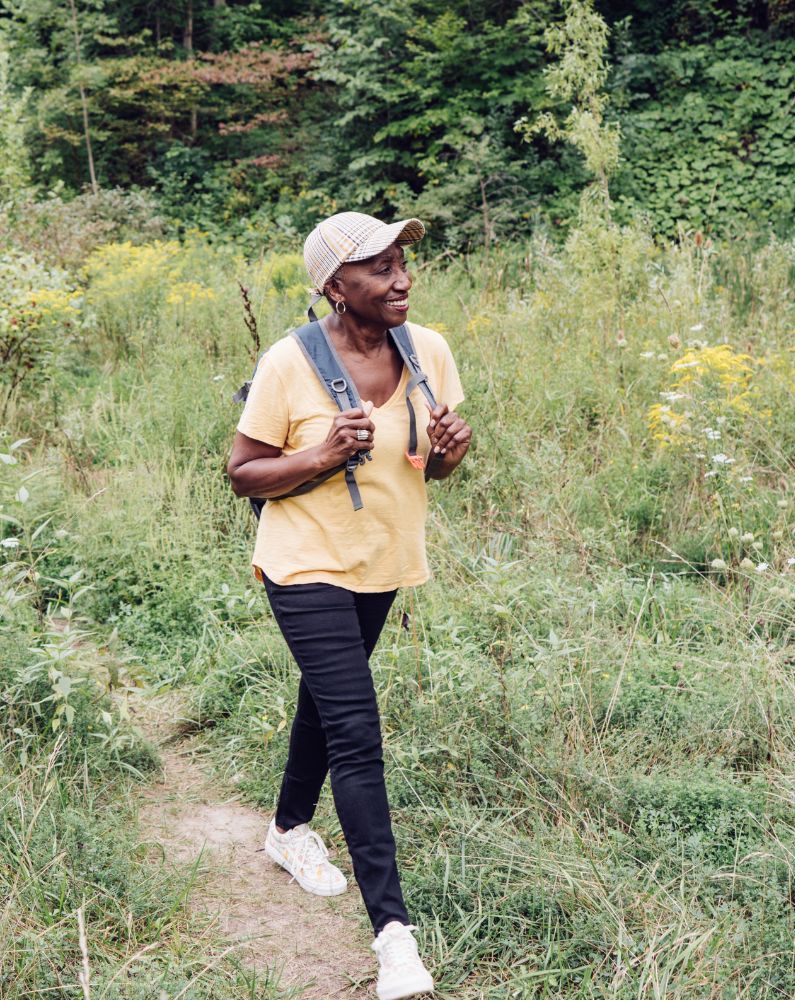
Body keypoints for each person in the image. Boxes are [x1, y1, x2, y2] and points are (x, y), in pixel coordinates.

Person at [226, 211, 471, 1000]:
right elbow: (242, 473)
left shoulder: (426, 350)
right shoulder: (288, 363)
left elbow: (426, 470)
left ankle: (288, 829)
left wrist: (451, 455)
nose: (401, 278)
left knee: (328, 704)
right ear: (335, 287)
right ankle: (394, 940)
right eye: (379, 268)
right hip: (305, 563)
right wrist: (323, 453)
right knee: (358, 732)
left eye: (403, 262)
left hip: (382, 561)